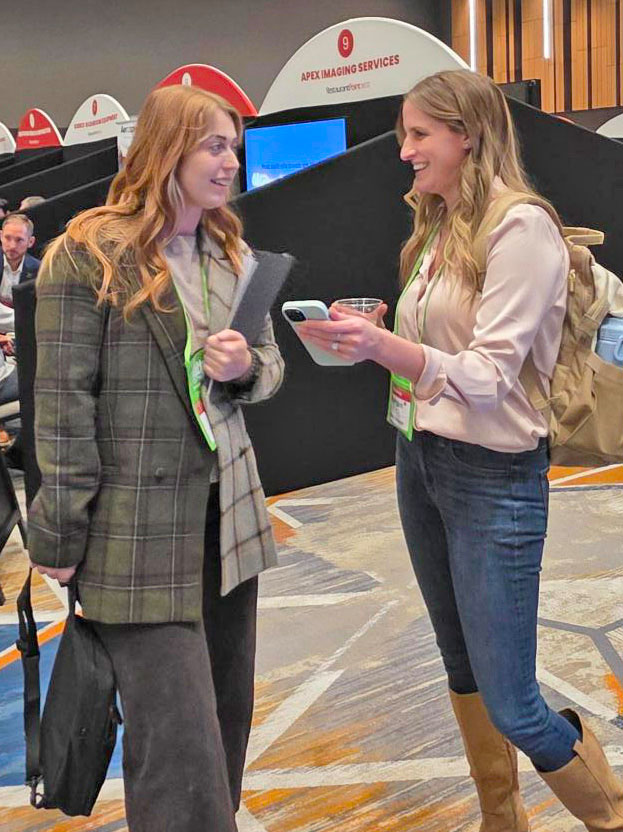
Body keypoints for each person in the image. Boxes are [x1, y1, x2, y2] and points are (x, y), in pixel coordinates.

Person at [299, 69, 623, 830]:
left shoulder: (521, 228)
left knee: (513, 703)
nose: (404, 150)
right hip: (421, 462)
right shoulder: (439, 226)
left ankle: (608, 814)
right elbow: (438, 354)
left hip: (494, 479)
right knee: (462, 670)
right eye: (404, 134)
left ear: (467, 135)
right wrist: (377, 330)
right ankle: (500, 819)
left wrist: (381, 347)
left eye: (419, 134)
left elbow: (486, 378)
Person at [27, 84, 284, 832]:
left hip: (227, 525)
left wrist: (246, 368)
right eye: (214, 146)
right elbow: (63, 408)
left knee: (222, 730)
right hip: (133, 534)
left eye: (234, 147)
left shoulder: (232, 253)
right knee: (179, 751)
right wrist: (59, 535)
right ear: (166, 150)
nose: (229, 162)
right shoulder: (86, 255)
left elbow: (269, 368)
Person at [0, 213, 40, 336]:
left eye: (19, 240)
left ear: (30, 242)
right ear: (0, 236)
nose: (12, 246)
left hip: (22, 336)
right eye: (7, 238)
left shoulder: (39, 270)